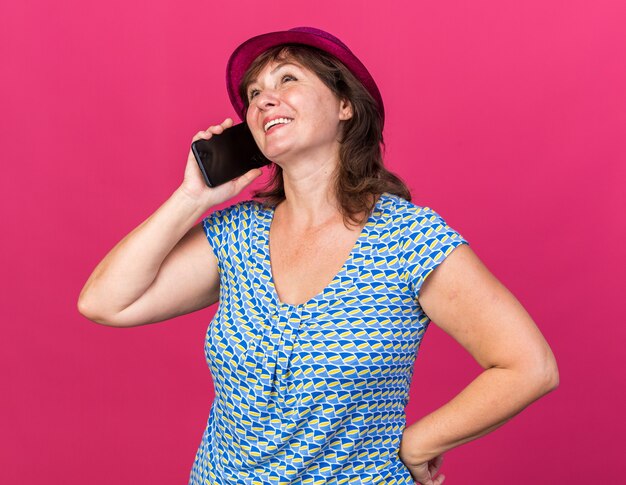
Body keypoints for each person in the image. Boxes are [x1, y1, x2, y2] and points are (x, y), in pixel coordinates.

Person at [77, 27, 559, 485]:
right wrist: (193, 198)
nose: (264, 99)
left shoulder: (407, 239)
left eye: (287, 79)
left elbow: (528, 366)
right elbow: (105, 302)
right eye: (254, 94)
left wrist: (418, 444)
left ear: (345, 104)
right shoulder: (237, 234)